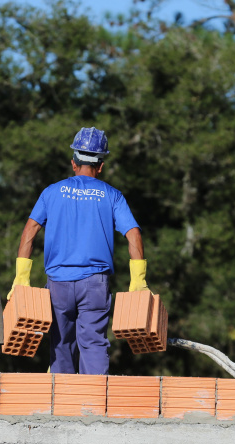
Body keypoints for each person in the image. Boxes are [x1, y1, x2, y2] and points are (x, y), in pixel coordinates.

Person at [8, 127, 149, 374]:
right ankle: (93, 405)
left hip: (58, 285)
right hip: (95, 284)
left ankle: (63, 407)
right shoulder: (112, 195)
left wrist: (21, 278)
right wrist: (138, 280)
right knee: (93, 344)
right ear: (101, 166)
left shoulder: (51, 192)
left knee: (61, 345)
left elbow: (30, 230)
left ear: (74, 163)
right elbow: (134, 234)